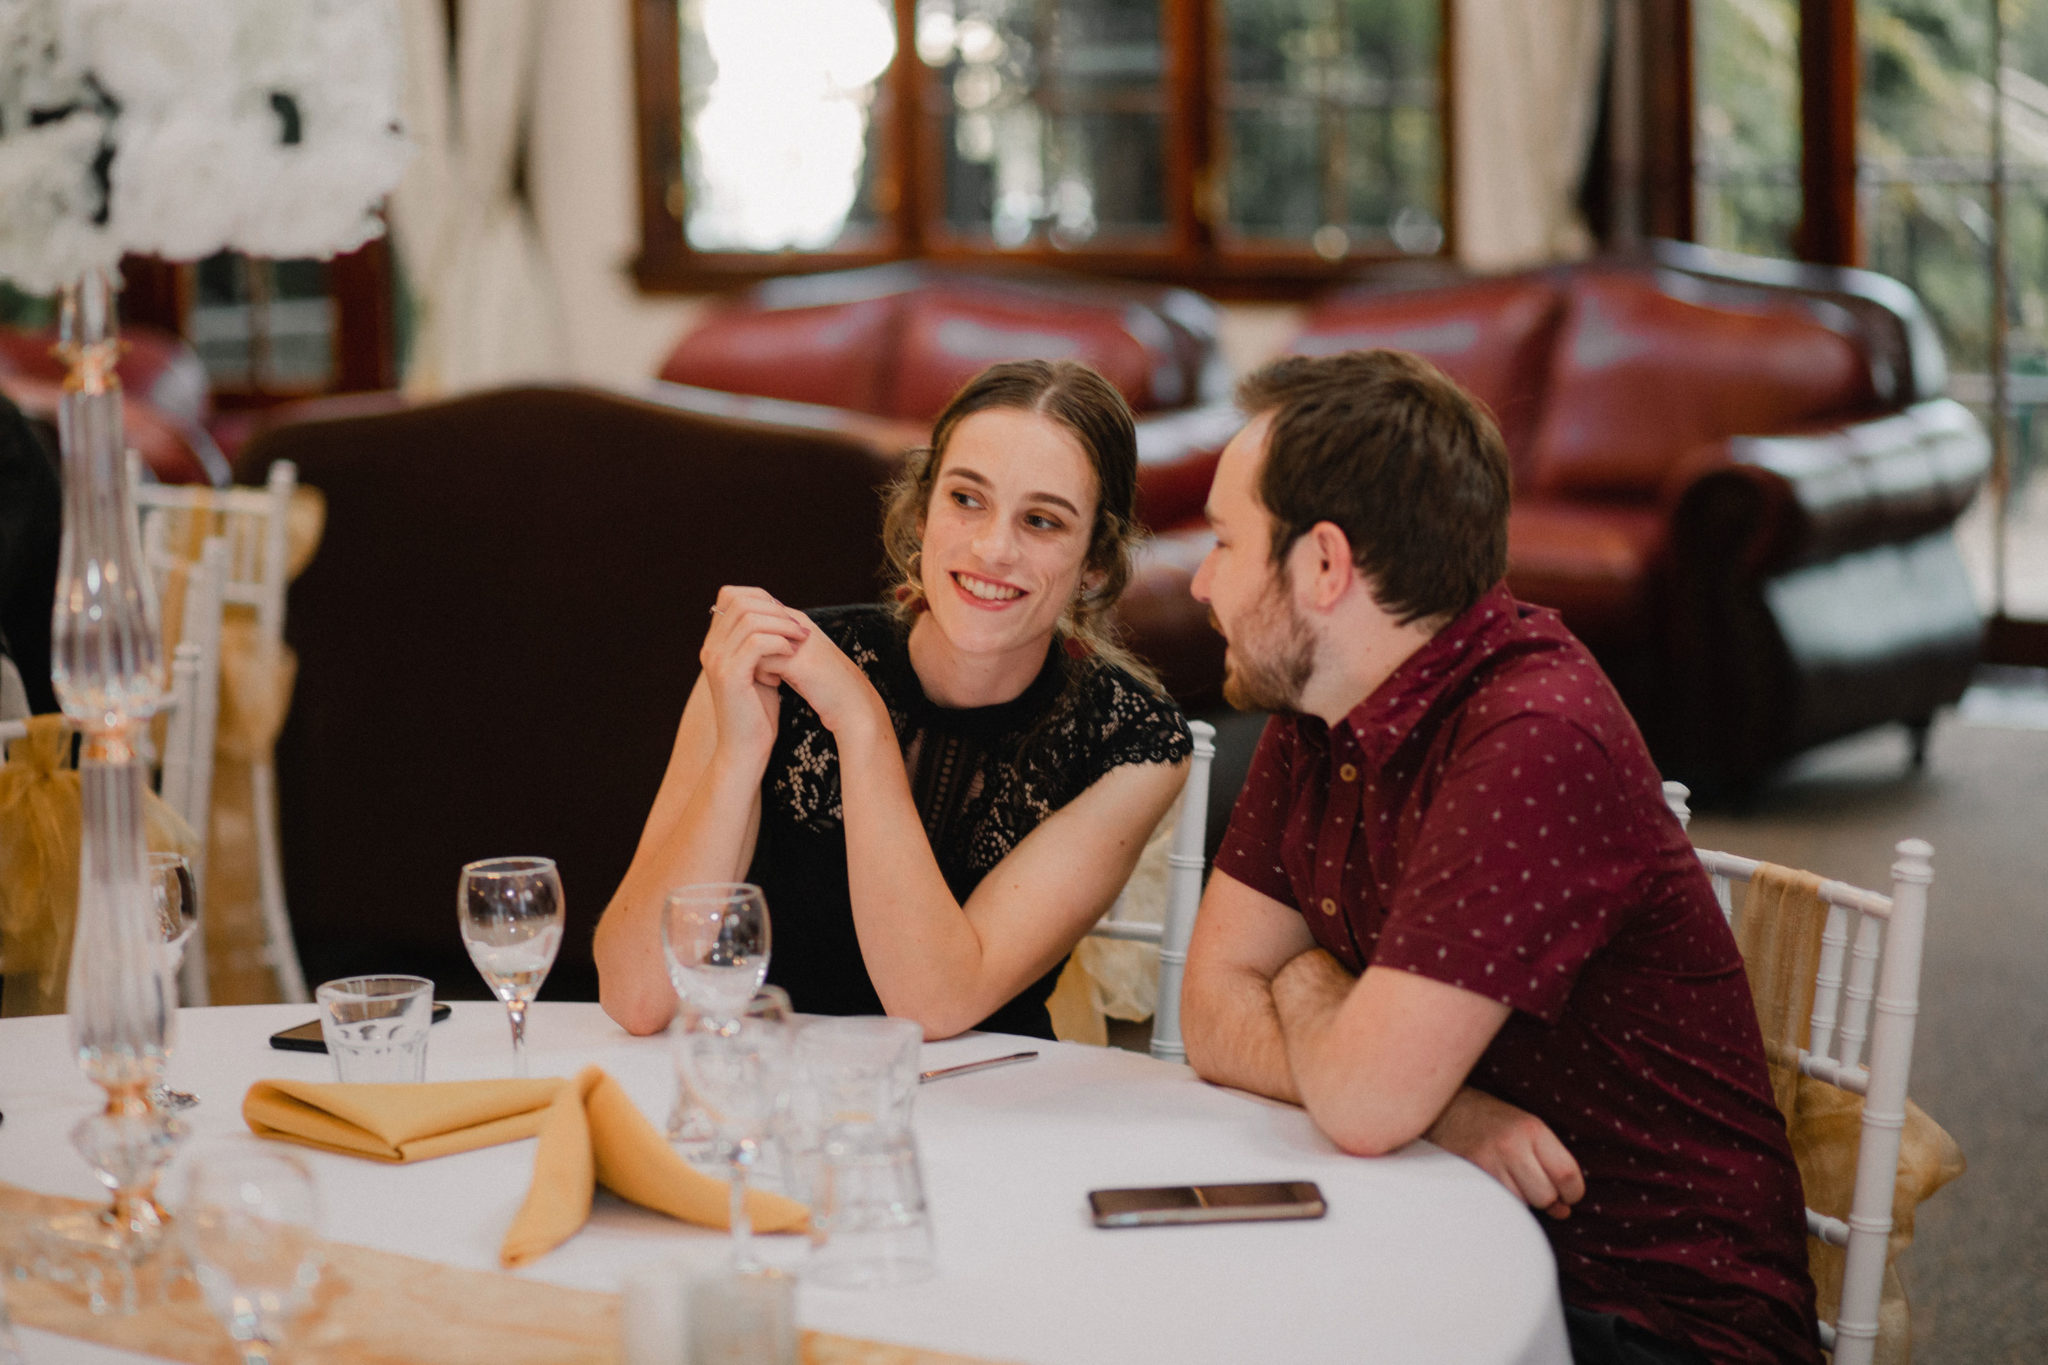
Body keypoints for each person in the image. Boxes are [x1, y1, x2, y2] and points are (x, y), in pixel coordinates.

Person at [1181, 350, 1820, 1365]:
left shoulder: (1532, 735)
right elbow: (1211, 1011)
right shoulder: (1317, 703)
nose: (1197, 580)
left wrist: (1306, 985)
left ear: (1322, 567)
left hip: (1645, 1316)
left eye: (1223, 542)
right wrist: (1451, 1115)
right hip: (1434, 1231)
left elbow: (1358, 1100)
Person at [596, 359, 1191, 1041]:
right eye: (967, 499)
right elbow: (637, 993)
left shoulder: (1133, 745)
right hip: (766, 1102)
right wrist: (740, 756)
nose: (993, 547)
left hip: (988, 1122)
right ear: (923, 509)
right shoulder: (771, 664)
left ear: (1096, 562)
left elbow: (932, 1003)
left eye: (1042, 521)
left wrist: (861, 721)